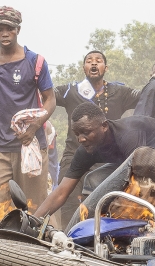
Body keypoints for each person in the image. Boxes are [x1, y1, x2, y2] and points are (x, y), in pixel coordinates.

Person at [33, 104, 155, 228]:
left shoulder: (129, 134)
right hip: (144, 165)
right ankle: (93, 227)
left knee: (148, 184)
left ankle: (152, 226)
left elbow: (141, 179)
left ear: (104, 126)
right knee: (93, 179)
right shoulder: (86, 149)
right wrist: (34, 220)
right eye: (77, 134)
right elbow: (61, 192)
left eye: (86, 132)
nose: (81, 139)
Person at [0, 7, 56, 220]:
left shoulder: (35, 62)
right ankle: (3, 249)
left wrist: (35, 127)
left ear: (17, 29)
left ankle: (36, 250)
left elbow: (50, 100)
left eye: (9, 28)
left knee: (34, 207)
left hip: (30, 145)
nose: (4, 33)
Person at [53, 51, 139, 222]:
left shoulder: (119, 91)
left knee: (105, 204)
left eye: (98, 61)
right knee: (69, 203)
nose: (93, 64)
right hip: (74, 156)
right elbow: (47, 95)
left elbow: (144, 98)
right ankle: (68, 239)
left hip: (106, 158)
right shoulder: (71, 90)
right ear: (84, 68)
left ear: (105, 68)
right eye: (89, 61)